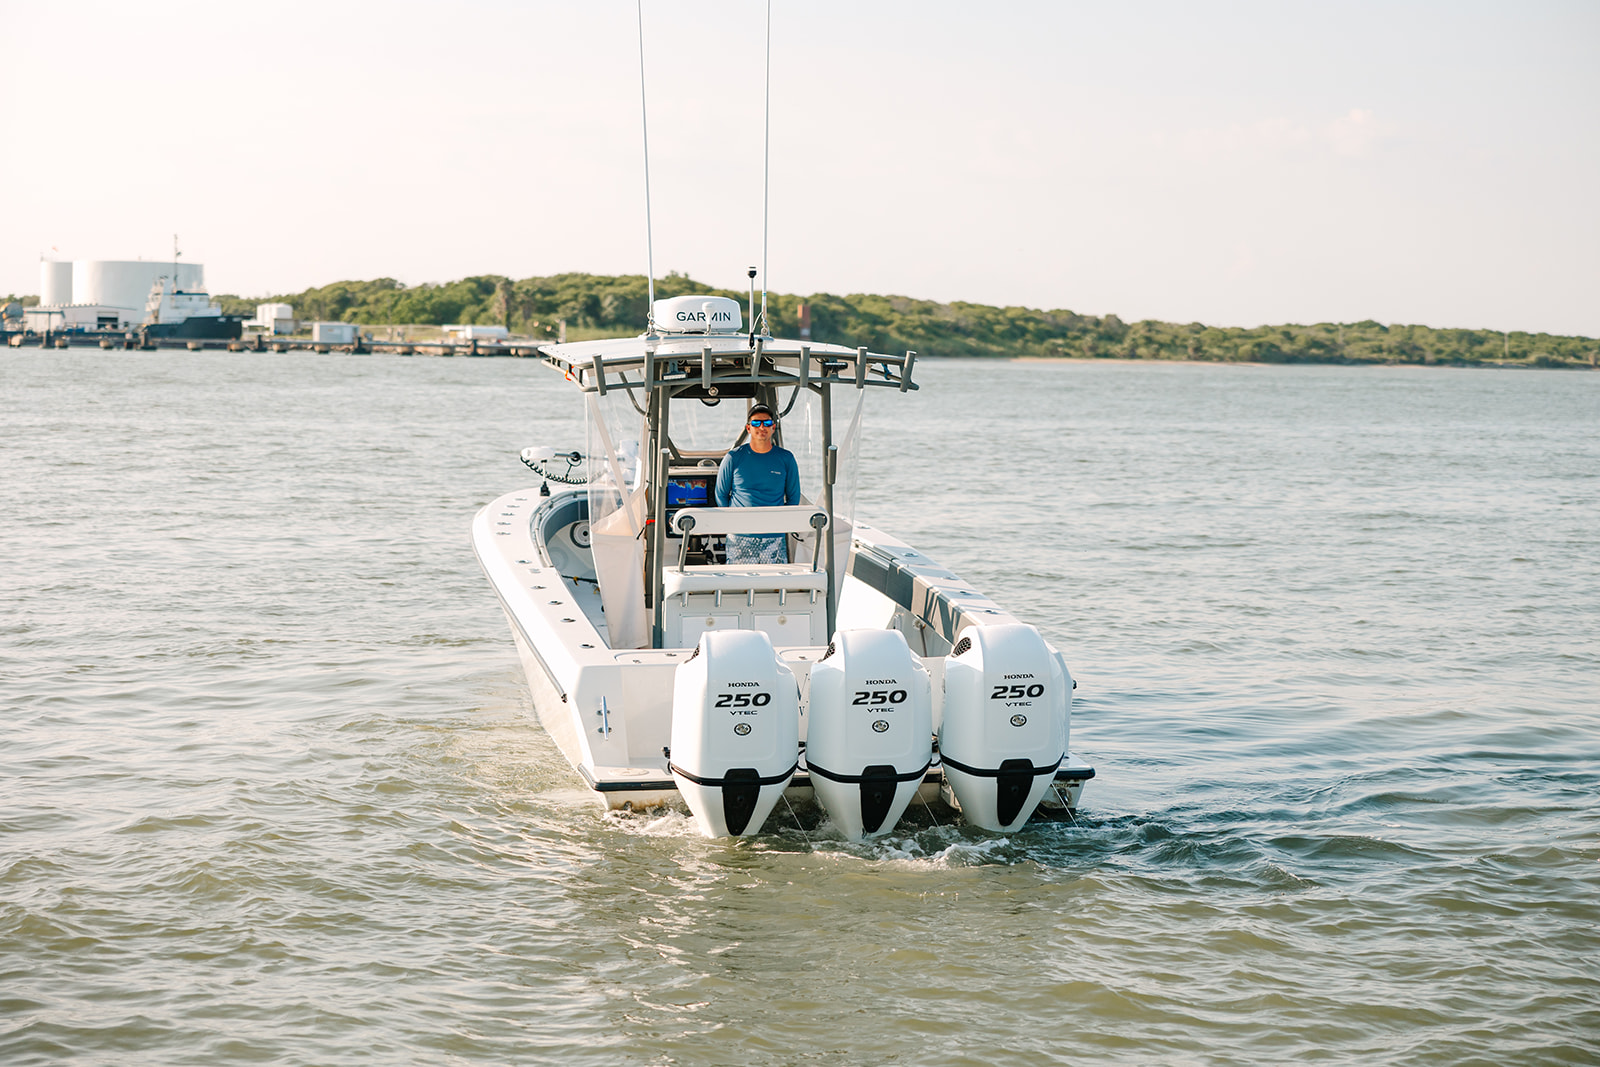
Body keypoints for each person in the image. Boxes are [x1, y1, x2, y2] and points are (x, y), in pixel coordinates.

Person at [715, 402, 801, 563]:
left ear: (773, 427)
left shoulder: (786, 458)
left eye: (767, 423)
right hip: (740, 537)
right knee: (739, 585)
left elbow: (793, 497)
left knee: (773, 585)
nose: (762, 427)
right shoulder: (733, 458)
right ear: (748, 428)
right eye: (756, 423)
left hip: (774, 537)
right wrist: (733, 522)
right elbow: (720, 494)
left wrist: (782, 525)